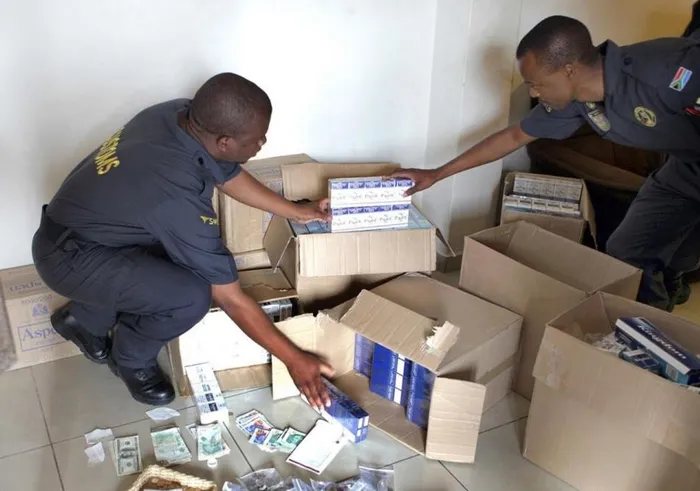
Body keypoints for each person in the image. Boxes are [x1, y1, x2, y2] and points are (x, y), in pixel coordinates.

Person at [32, 73, 334, 407]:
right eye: (257, 139)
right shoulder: (174, 194)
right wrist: (294, 359)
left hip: (85, 231)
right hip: (69, 259)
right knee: (190, 297)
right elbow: (230, 299)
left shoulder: (179, 115)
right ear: (224, 142)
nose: (263, 142)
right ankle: (130, 359)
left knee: (172, 256)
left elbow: (226, 174)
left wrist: (296, 211)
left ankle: (84, 320)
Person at [392, 15, 700, 313]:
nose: (533, 92)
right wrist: (436, 174)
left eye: (536, 83)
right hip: (685, 168)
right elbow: (514, 136)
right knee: (628, 249)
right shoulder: (578, 100)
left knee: (682, 245)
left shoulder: (665, 69)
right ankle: (651, 329)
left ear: (569, 70)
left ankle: (663, 306)